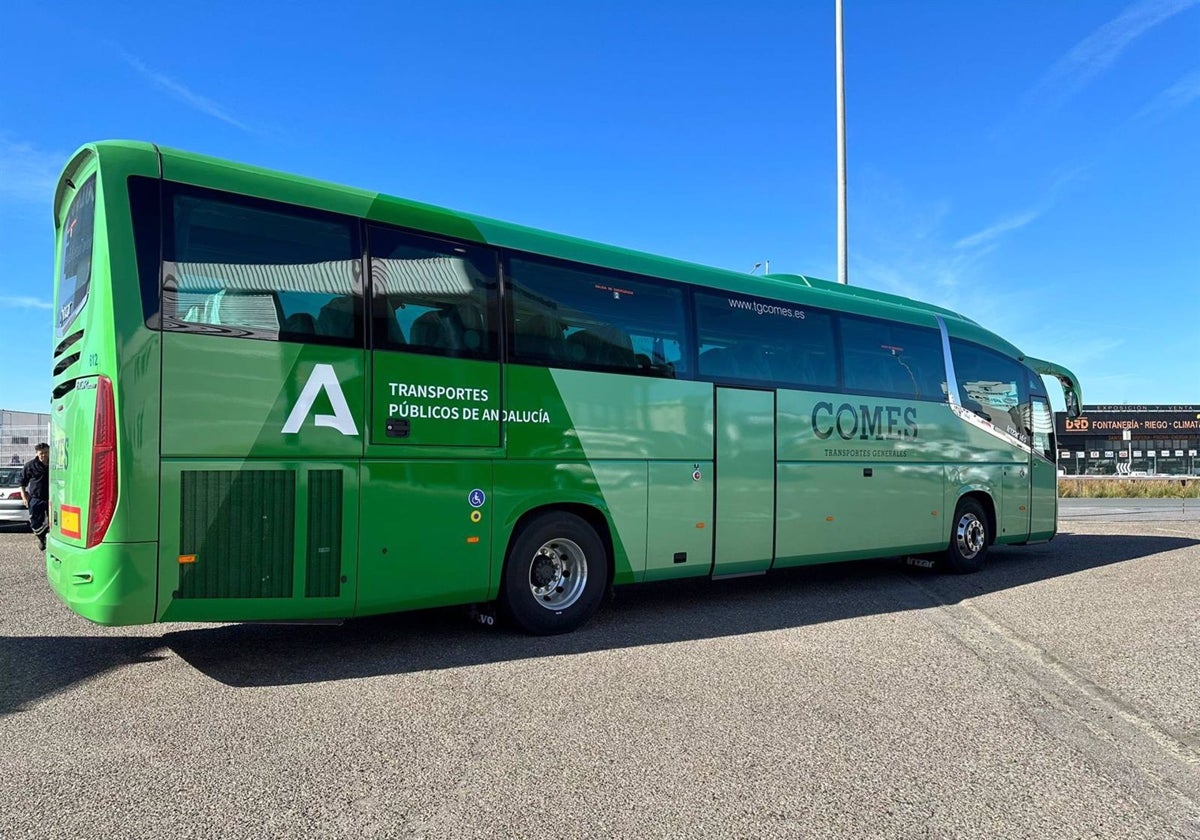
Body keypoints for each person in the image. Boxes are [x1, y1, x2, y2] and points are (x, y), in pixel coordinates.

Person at [20, 442, 49, 551]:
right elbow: (22, 482)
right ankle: (42, 538)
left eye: (46, 453)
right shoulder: (30, 465)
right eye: (41, 453)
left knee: (55, 522)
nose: (44, 455)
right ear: (37, 453)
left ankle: (49, 538)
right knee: (35, 524)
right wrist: (24, 497)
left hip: (52, 499)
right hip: (36, 499)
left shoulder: (55, 465)